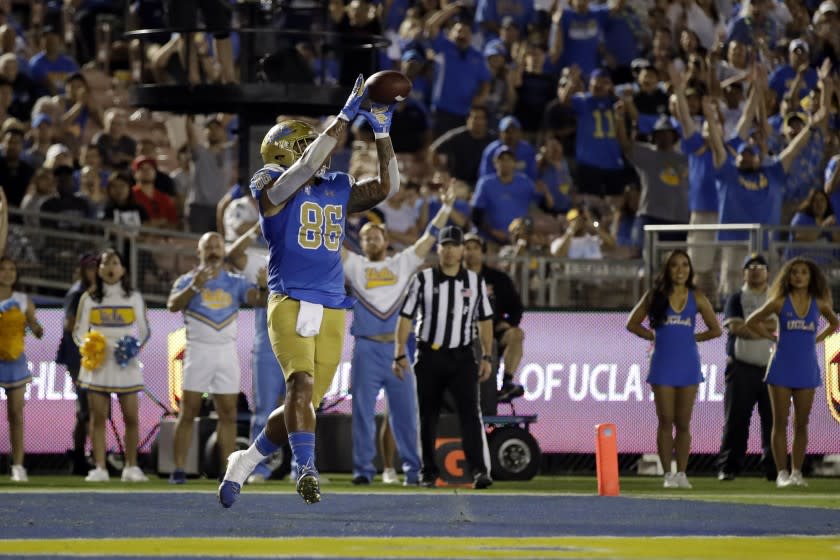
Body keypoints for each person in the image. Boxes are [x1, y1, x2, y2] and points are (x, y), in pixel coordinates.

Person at [218, 74, 400, 506]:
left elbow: (387, 187)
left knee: (304, 405)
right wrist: (345, 114)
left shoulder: (335, 187)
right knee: (298, 386)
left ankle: (245, 461)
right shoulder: (268, 181)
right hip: (289, 299)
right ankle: (306, 468)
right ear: (288, 149)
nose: (318, 150)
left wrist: (381, 129)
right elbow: (300, 169)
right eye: (308, 143)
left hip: (333, 305)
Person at [343, 186, 456, 485]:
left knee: (406, 415)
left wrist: (444, 210)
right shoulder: (354, 265)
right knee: (362, 414)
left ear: (386, 239)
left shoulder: (401, 263)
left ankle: (412, 470)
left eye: (375, 235)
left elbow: (427, 240)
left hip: (399, 350)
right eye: (365, 236)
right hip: (366, 349)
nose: (369, 239)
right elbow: (329, 245)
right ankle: (363, 470)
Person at [394, 225, 495, 489]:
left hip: (462, 356)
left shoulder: (475, 282)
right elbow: (405, 316)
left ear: (462, 250)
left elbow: (485, 320)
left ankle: (479, 470)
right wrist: (399, 354)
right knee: (428, 415)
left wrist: (486, 356)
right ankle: (428, 471)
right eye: (445, 245)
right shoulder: (423, 280)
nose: (449, 251)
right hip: (430, 355)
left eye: (454, 245)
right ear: (438, 249)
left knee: (471, 414)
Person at [166, 232, 266, 484]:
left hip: (225, 351)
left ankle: (227, 471)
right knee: (187, 412)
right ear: (199, 252)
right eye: (207, 246)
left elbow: (260, 301)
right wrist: (195, 285)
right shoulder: (187, 280)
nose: (212, 250)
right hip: (197, 350)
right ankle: (178, 469)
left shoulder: (235, 281)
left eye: (217, 246)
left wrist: (264, 285)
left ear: (223, 251)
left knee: (228, 413)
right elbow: (172, 305)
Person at [626, 250, 721, 489]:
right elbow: (632, 323)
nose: (681, 270)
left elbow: (716, 329)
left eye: (685, 266)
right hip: (663, 363)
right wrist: (653, 336)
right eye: (675, 266)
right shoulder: (655, 296)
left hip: (688, 363)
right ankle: (668, 473)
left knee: (684, 422)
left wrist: (691, 338)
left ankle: (682, 473)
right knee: (665, 420)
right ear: (667, 270)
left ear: (690, 270)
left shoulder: (697, 296)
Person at [745, 257, 839, 488]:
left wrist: (816, 339)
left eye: (804, 272)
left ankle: (797, 472)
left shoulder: (819, 303)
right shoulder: (779, 302)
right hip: (781, 367)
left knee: (802, 423)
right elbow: (751, 321)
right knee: (779, 422)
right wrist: (770, 337)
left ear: (811, 277)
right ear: (788, 276)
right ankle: (781, 473)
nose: (798, 276)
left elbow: (834, 324)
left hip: (806, 368)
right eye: (794, 272)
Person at [73, 249, 150, 483]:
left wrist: (132, 348)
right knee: (97, 418)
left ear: (123, 269)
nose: (110, 267)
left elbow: (145, 331)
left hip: (125, 364)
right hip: (98, 365)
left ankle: (131, 466)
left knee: (131, 417)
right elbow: (78, 332)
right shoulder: (89, 297)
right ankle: (100, 467)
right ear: (98, 269)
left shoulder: (134, 297)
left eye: (115, 263)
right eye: (105, 263)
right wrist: (89, 349)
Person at [225, 223, 285, 484]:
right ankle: (257, 469)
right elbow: (233, 256)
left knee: (302, 409)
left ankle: (301, 467)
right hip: (268, 347)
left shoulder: (309, 262)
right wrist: (257, 225)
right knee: (264, 412)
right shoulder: (262, 261)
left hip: (302, 345)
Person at [716, 254, 776, 482]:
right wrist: (766, 329)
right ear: (743, 273)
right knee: (736, 421)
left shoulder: (777, 298)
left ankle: (773, 468)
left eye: (760, 266)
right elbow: (737, 327)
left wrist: (752, 324)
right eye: (750, 267)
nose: (755, 270)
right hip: (741, 368)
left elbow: (780, 325)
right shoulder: (736, 298)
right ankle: (728, 467)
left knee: (773, 421)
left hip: (772, 368)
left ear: (768, 272)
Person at [463, 233, 525, 403]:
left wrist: (507, 323)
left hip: (492, 329)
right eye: (467, 248)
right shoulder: (454, 277)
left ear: (483, 252)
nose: (471, 252)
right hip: (461, 332)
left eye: (475, 248)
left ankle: (506, 383)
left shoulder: (498, 279)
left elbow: (516, 307)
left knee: (516, 334)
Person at [0, 256, 44, 482]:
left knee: (16, 415)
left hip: (15, 363)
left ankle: (18, 465)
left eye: (11, 269)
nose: (7, 273)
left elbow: (36, 328)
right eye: (3, 269)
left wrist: (36, 327)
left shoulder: (22, 300)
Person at [55, 253, 99, 476]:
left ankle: (83, 456)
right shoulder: (77, 293)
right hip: (79, 357)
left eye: (97, 266)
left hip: (94, 357)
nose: (95, 271)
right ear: (83, 269)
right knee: (87, 408)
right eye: (91, 267)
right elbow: (70, 324)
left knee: (89, 409)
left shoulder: (98, 293)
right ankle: (86, 456)